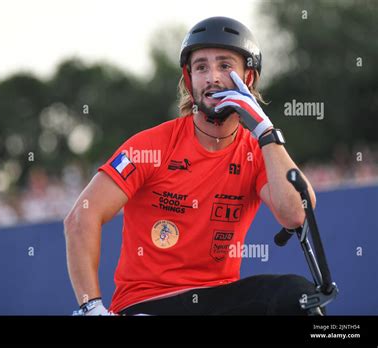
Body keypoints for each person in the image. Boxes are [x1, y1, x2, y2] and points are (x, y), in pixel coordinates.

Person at [65, 16, 318, 316]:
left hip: (219, 299)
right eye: (201, 67)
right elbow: (81, 217)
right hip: (147, 304)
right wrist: (91, 308)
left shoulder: (257, 152)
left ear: (248, 78)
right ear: (189, 79)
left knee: (299, 297)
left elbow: (297, 215)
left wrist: (265, 131)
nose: (212, 77)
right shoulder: (152, 145)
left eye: (225, 66)